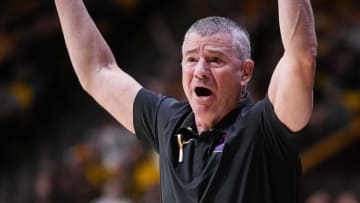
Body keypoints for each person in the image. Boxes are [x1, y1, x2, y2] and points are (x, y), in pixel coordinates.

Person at [55, 0, 317, 202]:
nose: (200, 70)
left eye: (215, 60)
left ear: (245, 72)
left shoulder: (266, 128)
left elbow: (301, 56)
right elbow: (98, 71)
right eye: (191, 59)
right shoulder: (169, 121)